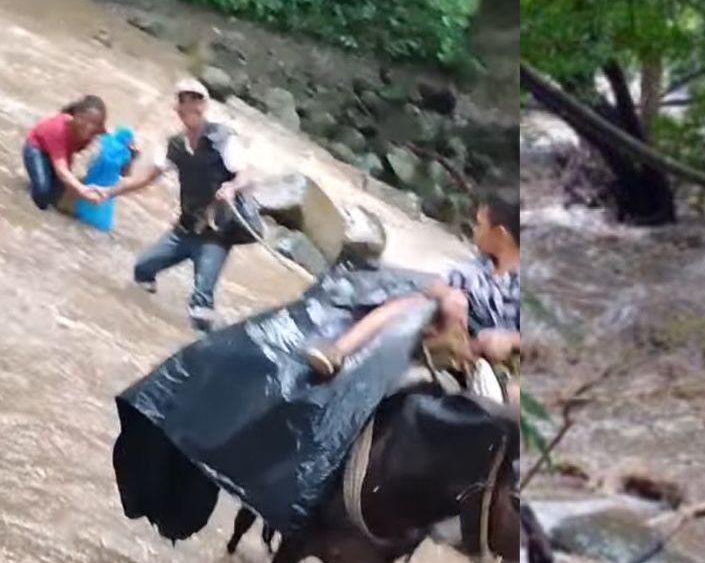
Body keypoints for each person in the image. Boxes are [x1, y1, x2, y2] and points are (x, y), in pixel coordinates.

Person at [303, 191, 520, 394]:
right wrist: (448, 295)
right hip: (457, 331)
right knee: (410, 302)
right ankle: (338, 350)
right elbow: (435, 285)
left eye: (480, 225)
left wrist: (510, 340)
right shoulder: (479, 267)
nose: (475, 231)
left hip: (497, 353)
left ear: (500, 235)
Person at [108, 79, 252, 332]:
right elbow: (145, 179)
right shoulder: (174, 145)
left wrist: (232, 187)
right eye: (185, 102)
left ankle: (202, 348)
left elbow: (246, 175)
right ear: (178, 109)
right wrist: (109, 191)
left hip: (216, 234)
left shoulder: (224, 139)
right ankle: (140, 323)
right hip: (184, 229)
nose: (191, 107)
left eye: (196, 101)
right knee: (142, 269)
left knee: (200, 306)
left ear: (204, 106)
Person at [23, 95, 110, 210]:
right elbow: (61, 170)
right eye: (85, 119)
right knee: (42, 198)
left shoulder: (96, 129)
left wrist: (129, 150)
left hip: (63, 154)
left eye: (95, 123)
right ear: (76, 115)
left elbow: (115, 138)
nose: (89, 127)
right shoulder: (58, 128)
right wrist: (82, 189)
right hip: (37, 149)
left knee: (55, 198)